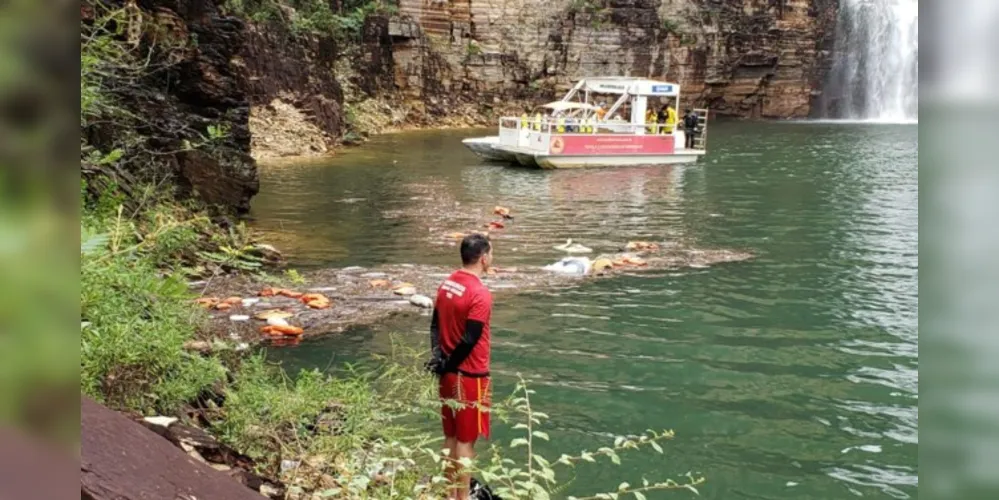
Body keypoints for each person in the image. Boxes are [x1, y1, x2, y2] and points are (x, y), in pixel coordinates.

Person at [426, 233, 494, 500]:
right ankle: (462, 497)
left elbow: (434, 325)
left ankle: (448, 493)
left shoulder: (447, 284)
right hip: (471, 376)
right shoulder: (480, 293)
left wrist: (439, 360)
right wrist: (449, 363)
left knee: (450, 436)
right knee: (466, 441)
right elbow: (470, 339)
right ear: (484, 258)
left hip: (447, 373)